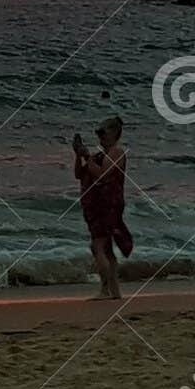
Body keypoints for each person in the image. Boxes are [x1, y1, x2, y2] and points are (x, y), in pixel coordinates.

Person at [73, 116, 132, 301]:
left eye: (103, 132)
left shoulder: (116, 153)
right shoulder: (100, 155)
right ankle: (114, 291)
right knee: (106, 249)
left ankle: (105, 290)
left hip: (108, 205)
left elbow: (102, 176)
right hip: (96, 206)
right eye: (98, 132)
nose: (100, 136)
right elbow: (79, 174)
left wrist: (87, 157)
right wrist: (79, 155)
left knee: (97, 246)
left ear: (115, 133)